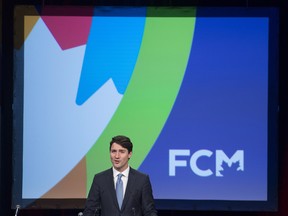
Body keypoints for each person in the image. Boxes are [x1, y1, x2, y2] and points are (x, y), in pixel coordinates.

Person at [83, 135, 158, 216]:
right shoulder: (100, 179)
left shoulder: (142, 180)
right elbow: (89, 211)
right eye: (113, 151)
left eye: (122, 151)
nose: (117, 156)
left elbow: (150, 211)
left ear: (129, 154)